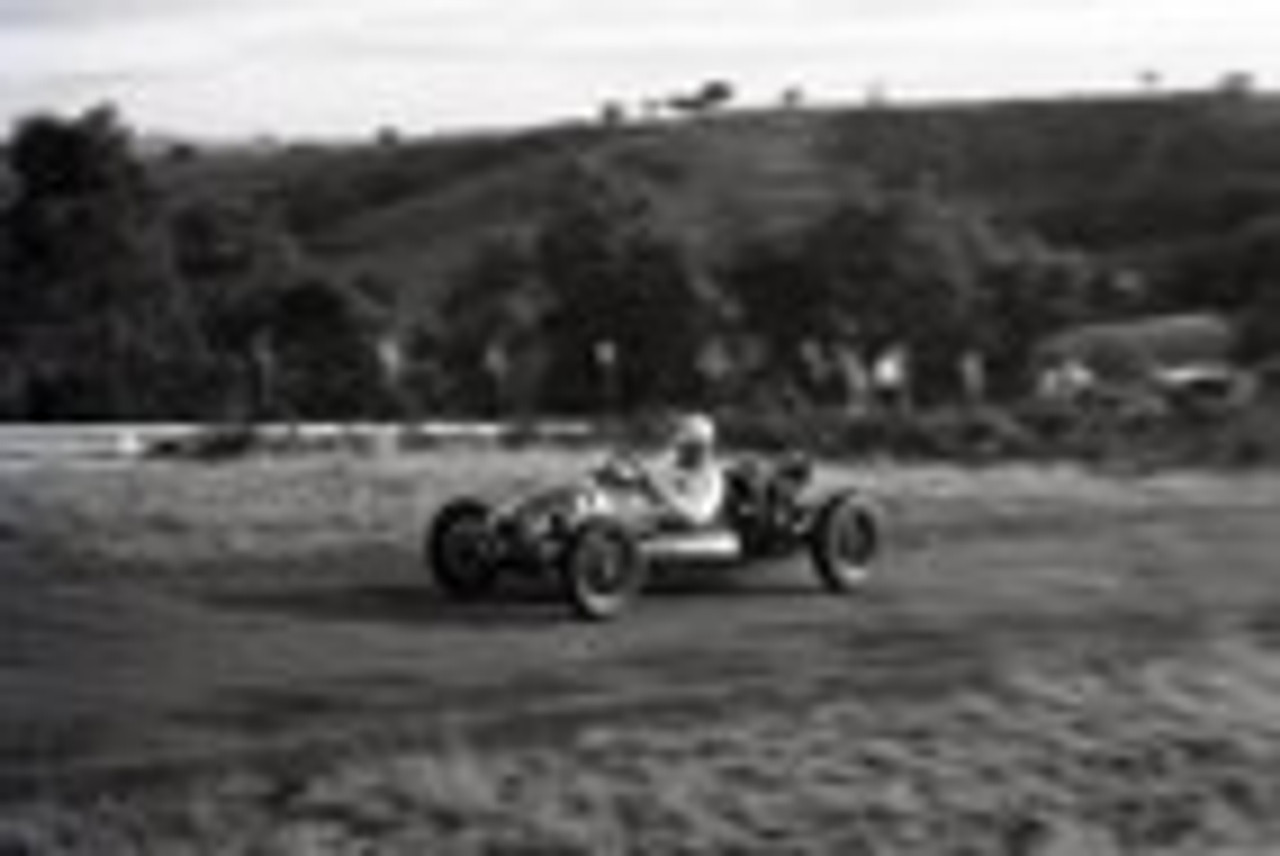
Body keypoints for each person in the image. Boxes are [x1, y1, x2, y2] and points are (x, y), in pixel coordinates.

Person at [593, 413, 726, 529]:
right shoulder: (674, 462)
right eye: (681, 447)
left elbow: (698, 515)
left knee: (623, 511)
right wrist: (630, 474)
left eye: (686, 448)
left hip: (680, 524)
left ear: (701, 448)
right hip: (658, 512)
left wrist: (658, 490)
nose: (681, 452)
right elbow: (653, 474)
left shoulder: (711, 477)